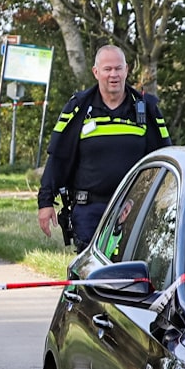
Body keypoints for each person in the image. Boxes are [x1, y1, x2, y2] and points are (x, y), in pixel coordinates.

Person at [35, 45, 172, 249]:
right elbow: (58, 157)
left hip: (134, 208)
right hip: (89, 210)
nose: (113, 75)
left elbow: (165, 158)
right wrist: (45, 202)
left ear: (127, 70)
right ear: (96, 72)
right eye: (107, 69)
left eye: (118, 69)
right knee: (93, 275)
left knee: (130, 274)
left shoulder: (146, 109)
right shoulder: (78, 109)